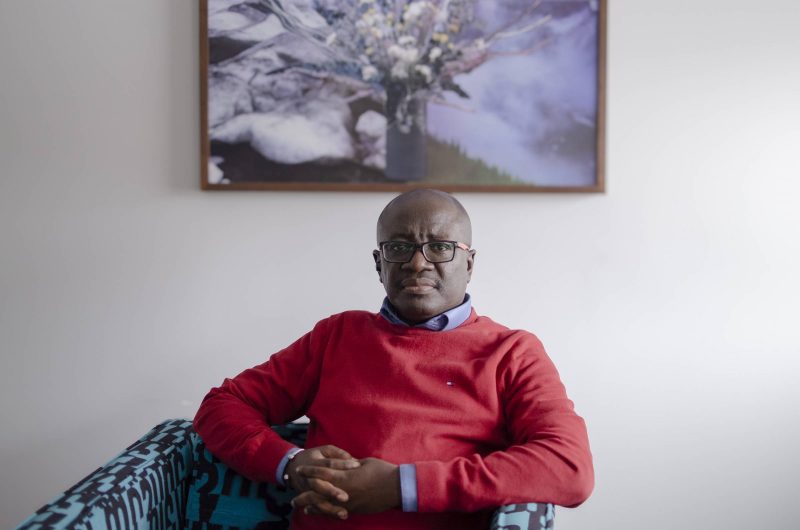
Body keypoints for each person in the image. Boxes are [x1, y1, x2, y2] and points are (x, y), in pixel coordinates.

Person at [193, 189, 593, 530]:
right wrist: (291, 463)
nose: (417, 263)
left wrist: (401, 486)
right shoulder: (336, 336)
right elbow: (222, 406)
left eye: (440, 247)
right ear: (378, 263)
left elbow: (568, 466)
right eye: (398, 248)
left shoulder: (512, 352)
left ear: (469, 264)